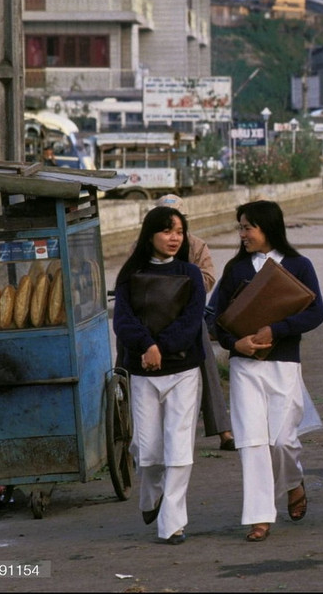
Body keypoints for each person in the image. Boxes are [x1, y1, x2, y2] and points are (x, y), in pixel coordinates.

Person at [212, 200, 323, 542]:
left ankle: (293, 481)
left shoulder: (298, 265)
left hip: (284, 364)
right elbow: (217, 320)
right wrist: (236, 344)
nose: (243, 234)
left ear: (268, 228)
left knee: (282, 440)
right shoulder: (236, 269)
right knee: (252, 442)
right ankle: (260, 515)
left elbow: (316, 312)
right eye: (241, 227)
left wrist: (277, 330)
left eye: (249, 227)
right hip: (245, 367)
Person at [112, 205, 207, 545]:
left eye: (179, 232)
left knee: (179, 449)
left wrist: (160, 348)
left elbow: (192, 321)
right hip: (143, 373)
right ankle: (151, 495)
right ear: (150, 234)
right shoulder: (130, 273)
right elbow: (122, 320)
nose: (174, 238)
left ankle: (172, 523)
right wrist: (147, 346)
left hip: (183, 371)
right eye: (167, 231)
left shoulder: (191, 274)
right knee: (147, 449)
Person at [154, 194, 235, 452]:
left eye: (177, 224)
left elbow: (208, 279)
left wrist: (179, 282)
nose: (172, 234)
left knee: (207, 364)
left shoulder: (196, 245)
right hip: (153, 316)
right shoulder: (141, 247)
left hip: (189, 314)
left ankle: (224, 430)